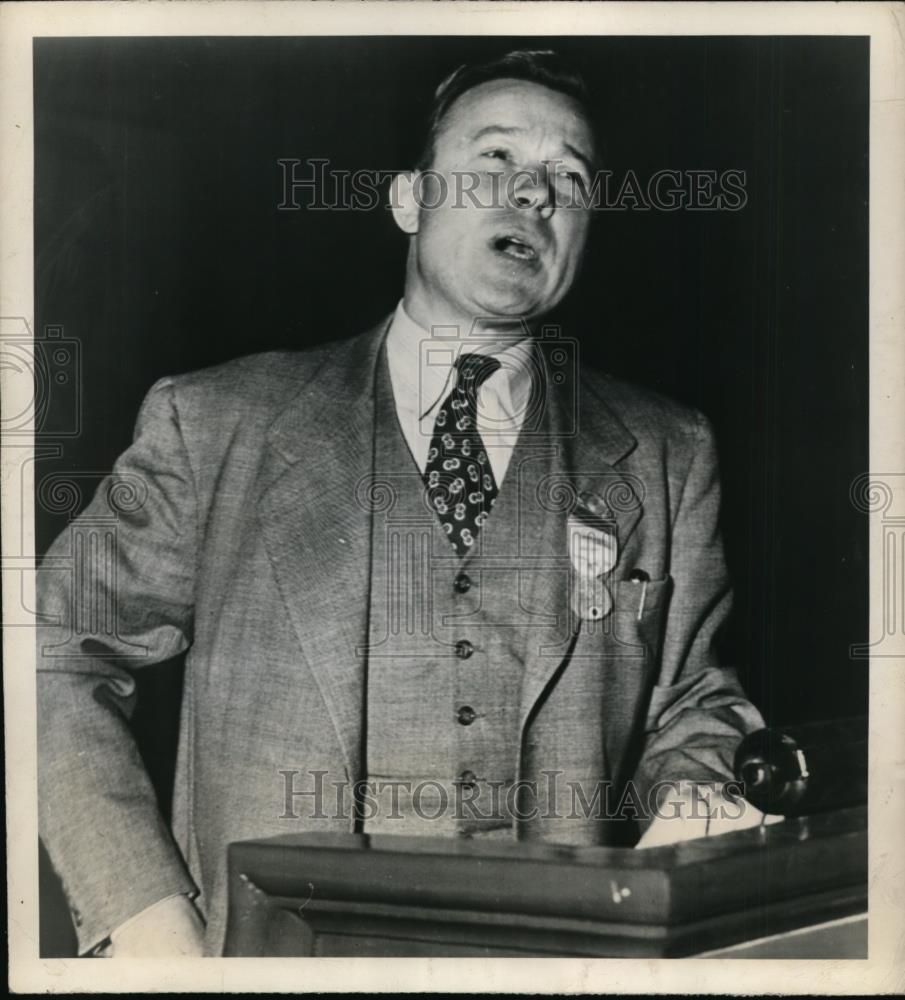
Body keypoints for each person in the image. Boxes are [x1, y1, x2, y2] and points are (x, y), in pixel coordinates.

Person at [37, 49, 772, 959]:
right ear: (408, 200)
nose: (534, 193)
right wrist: (145, 916)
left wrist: (687, 803)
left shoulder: (666, 450)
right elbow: (45, 653)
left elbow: (695, 699)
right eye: (495, 159)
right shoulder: (219, 422)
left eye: (568, 177)